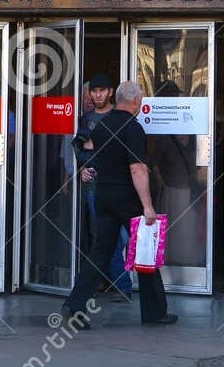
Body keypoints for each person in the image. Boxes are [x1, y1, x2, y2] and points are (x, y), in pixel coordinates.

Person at [61, 80, 176, 328]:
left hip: (103, 196)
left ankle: (74, 304)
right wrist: (147, 206)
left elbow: (88, 152)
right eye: (141, 99)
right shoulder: (133, 128)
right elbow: (137, 169)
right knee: (145, 250)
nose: (141, 103)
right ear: (135, 100)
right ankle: (154, 311)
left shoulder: (102, 126)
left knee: (100, 252)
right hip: (127, 198)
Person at [75, 74, 131, 302]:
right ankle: (117, 283)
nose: (97, 94)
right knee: (102, 238)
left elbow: (116, 150)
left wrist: (92, 149)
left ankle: (121, 283)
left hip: (119, 186)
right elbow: (79, 146)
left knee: (118, 238)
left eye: (102, 90)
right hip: (94, 188)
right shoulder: (85, 118)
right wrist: (83, 167)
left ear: (110, 92)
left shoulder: (118, 116)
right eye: (94, 91)